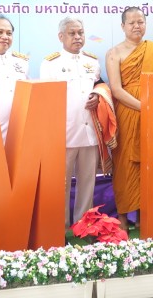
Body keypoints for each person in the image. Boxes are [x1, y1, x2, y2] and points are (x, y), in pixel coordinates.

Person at [106, 6, 153, 229]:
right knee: (124, 165)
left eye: (140, 22)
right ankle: (123, 217)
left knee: (148, 162)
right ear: (122, 26)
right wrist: (144, 107)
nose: (136, 26)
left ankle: (145, 215)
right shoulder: (114, 53)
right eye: (131, 23)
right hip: (127, 112)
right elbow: (116, 89)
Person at [40, 17, 102, 227]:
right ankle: (60, 227)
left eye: (80, 33)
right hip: (64, 133)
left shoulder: (93, 61)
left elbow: (99, 87)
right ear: (61, 36)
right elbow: (46, 100)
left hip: (89, 131)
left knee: (88, 183)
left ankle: (84, 226)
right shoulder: (50, 64)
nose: (77, 37)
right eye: (72, 33)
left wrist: (98, 95)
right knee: (61, 184)